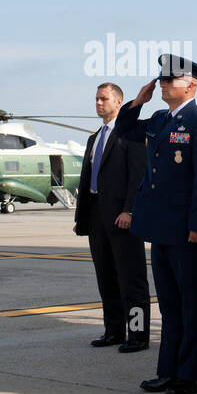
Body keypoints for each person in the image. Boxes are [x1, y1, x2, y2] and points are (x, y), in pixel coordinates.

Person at [113, 54, 197, 394]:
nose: (162, 85)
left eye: (169, 81)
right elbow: (125, 129)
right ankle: (167, 370)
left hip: (186, 230)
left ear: (191, 85)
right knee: (169, 305)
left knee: (191, 303)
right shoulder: (161, 119)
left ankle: (189, 375)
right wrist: (138, 101)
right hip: (160, 227)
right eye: (160, 80)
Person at [74, 82, 149, 352]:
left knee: (131, 279)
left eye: (103, 99)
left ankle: (138, 335)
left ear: (119, 102)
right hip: (96, 217)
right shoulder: (94, 138)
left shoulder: (129, 134)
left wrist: (129, 210)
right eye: (96, 98)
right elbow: (87, 181)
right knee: (106, 278)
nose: (98, 103)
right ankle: (113, 331)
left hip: (121, 217)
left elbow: (137, 176)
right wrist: (82, 217)